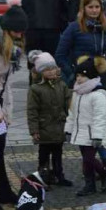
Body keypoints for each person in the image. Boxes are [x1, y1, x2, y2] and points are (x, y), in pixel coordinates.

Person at [0, 0, 26, 210]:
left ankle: (3, 191)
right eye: (17, 33)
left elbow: (6, 82)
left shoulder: (9, 43)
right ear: (7, 30)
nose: (20, 37)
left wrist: (6, 113)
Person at [55, 0, 106, 113]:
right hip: (82, 80)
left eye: (97, 7)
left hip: (104, 80)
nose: (94, 10)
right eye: (90, 7)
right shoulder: (74, 27)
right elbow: (60, 55)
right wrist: (72, 74)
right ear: (84, 8)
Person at [65, 56, 106, 196]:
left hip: (92, 134)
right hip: (81, 132)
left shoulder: (98, 95)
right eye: (77, 75)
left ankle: (104, 174)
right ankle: (90, 185)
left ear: (90, 76)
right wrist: (68, 129)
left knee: (89, 159)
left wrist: (97, 136)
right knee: (86, 161)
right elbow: (72, 113)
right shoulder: (77, 92)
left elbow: (100, 118)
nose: (78, 79)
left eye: (82, 76)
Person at [27, 52, 72, 187]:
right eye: (47, 70)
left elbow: (67, 104)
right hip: (44, 128)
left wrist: (70, 120)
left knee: (58, 154)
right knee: (44, 155)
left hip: (59, 127)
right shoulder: (35, 89)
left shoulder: (61, 85)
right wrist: (34, 130)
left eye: (53, 68)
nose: (51, 72)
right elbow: (32, 110)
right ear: (41, 72)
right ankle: (43, 178)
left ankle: (59, 175)